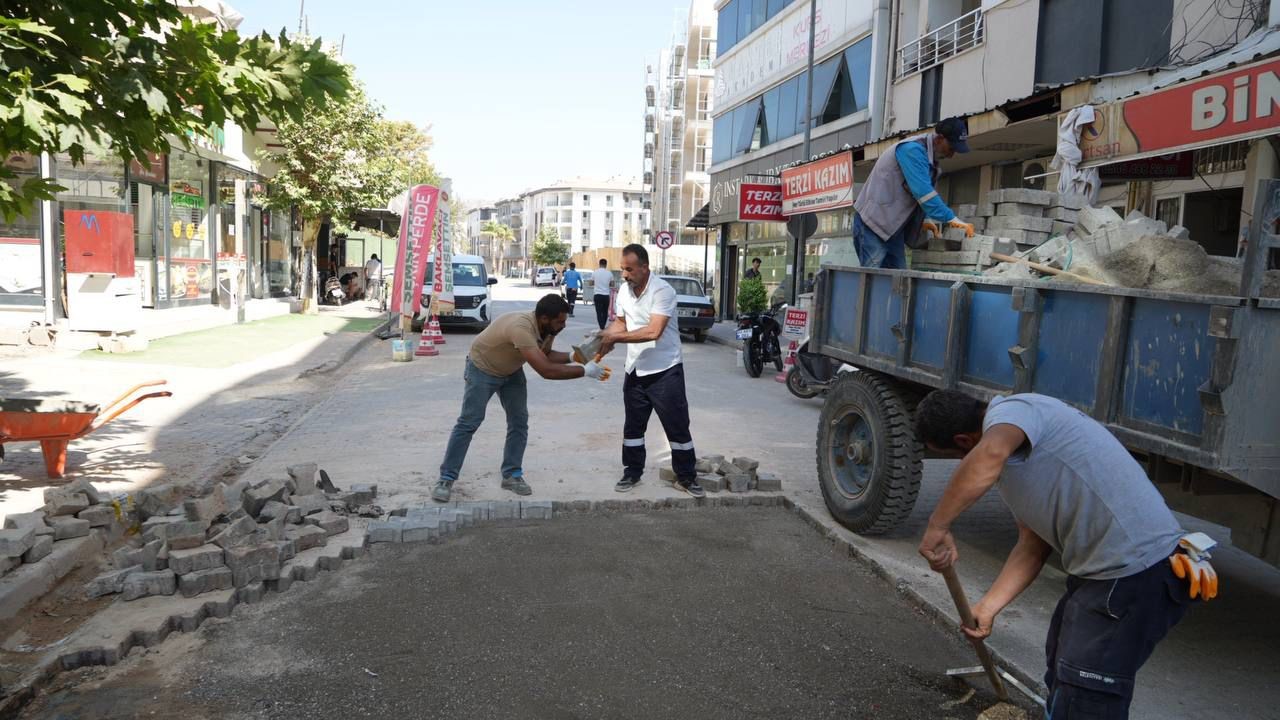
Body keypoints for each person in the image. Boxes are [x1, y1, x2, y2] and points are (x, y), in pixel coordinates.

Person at [914, 390, 1216, 718]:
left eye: (958, 458)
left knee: (1087, 695)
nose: (963, 466)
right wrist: (987, 608)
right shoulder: (1010, 461)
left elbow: (990, 453)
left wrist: (938, 524)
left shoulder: (1016, 412)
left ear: (963, 441)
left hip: (1136, 573)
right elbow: (1033, 543)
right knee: (1062, 670)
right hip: (1100, 576)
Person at [433, 294, 611, 503]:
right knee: (469, 422)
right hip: (483, 368)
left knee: (519, 422)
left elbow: (544, 354)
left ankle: (511, 475)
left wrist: (574, 357)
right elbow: (546, 370)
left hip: (511, 371)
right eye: (560, 321)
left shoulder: (546, 328)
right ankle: (446, 478)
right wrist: (584, 371)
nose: (563, 325)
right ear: (545, 318)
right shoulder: (521, 328)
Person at [599, 244, 704, 498]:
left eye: (629, 269)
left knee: (677, 427)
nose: (624, 274)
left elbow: (652, 331)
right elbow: (620, 323)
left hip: (665, 370)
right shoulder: (625, 290)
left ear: (645, 268)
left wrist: (616, 338)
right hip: (635, 369)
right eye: (623, 269)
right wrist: (600, 346)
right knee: (633, 428)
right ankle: (632, 472)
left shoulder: (662, 291)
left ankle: (687, 477)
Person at [853, 116, 975, 269]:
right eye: (951, 148)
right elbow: (923, 193)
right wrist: (951, 218)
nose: (952, 154)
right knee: (872, 282)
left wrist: (923, 220)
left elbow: (911, 195)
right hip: (872, 225)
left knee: (898, 281)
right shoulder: (912, 150)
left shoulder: (929, 160)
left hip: (892, 229)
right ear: (939, 138)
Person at [592, 258, 613, 330]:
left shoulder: (595, 272)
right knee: (605, 311)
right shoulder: (609, 273)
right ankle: (603, 325)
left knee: (598, 312)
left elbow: (590, 283)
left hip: (597, 294)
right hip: (606, 295)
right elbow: (612, 284)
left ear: (599, 264)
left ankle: (601, 326)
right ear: (606, 264)